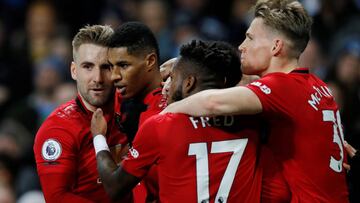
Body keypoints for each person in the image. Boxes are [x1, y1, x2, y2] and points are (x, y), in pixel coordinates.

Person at [162, 0, 349, 202]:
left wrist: (168, 110)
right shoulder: (316, 85)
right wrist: (185, 66)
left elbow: (213, 103)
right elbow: (249, 82)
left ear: (276, 46)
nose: (242, 46)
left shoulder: (282, 88)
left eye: (250, 38)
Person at [91, 40, 263, 202]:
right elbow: (249, 79)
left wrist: (99, 138)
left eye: (172, 78)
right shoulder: (254, 119)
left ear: (189, 84)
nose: (166, 85)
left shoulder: (160, 126)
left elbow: (115, 187)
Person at [33, 25, 130, 203]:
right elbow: (57, 198)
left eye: (106, 67)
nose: (98, 78)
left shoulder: (134, 109)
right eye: (88, 66)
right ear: (74, 71)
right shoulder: (57, 130)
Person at [105, 21, 164, 202]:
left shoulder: (167, 113)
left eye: (123, 65)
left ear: (150, 61)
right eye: (111, 66)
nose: (114, 76)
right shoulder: (123, 95)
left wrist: (98, 138)